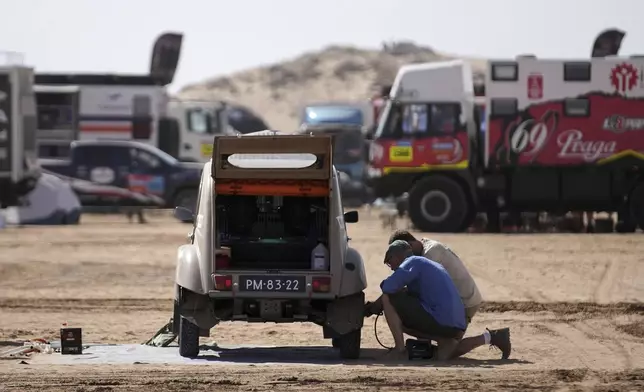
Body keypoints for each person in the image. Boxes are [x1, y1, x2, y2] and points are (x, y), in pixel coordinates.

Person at [366, 240, 511, 361]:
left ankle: (399, 350)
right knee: (444, 354)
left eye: (388, 260)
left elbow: (388, 287)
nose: (389, 266)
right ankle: (492, 337)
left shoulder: (412, 261)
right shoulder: (426, 264)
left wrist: (373, 307)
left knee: (388, 298)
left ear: (397, 255)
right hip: (456, 324)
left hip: (442, 319)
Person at [386, 230, 483, 324]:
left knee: (409, 308)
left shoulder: (430, 253)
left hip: (465, 302)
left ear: (408, 246)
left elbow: (419, 289)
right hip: (467, 299)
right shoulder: (426, 246)